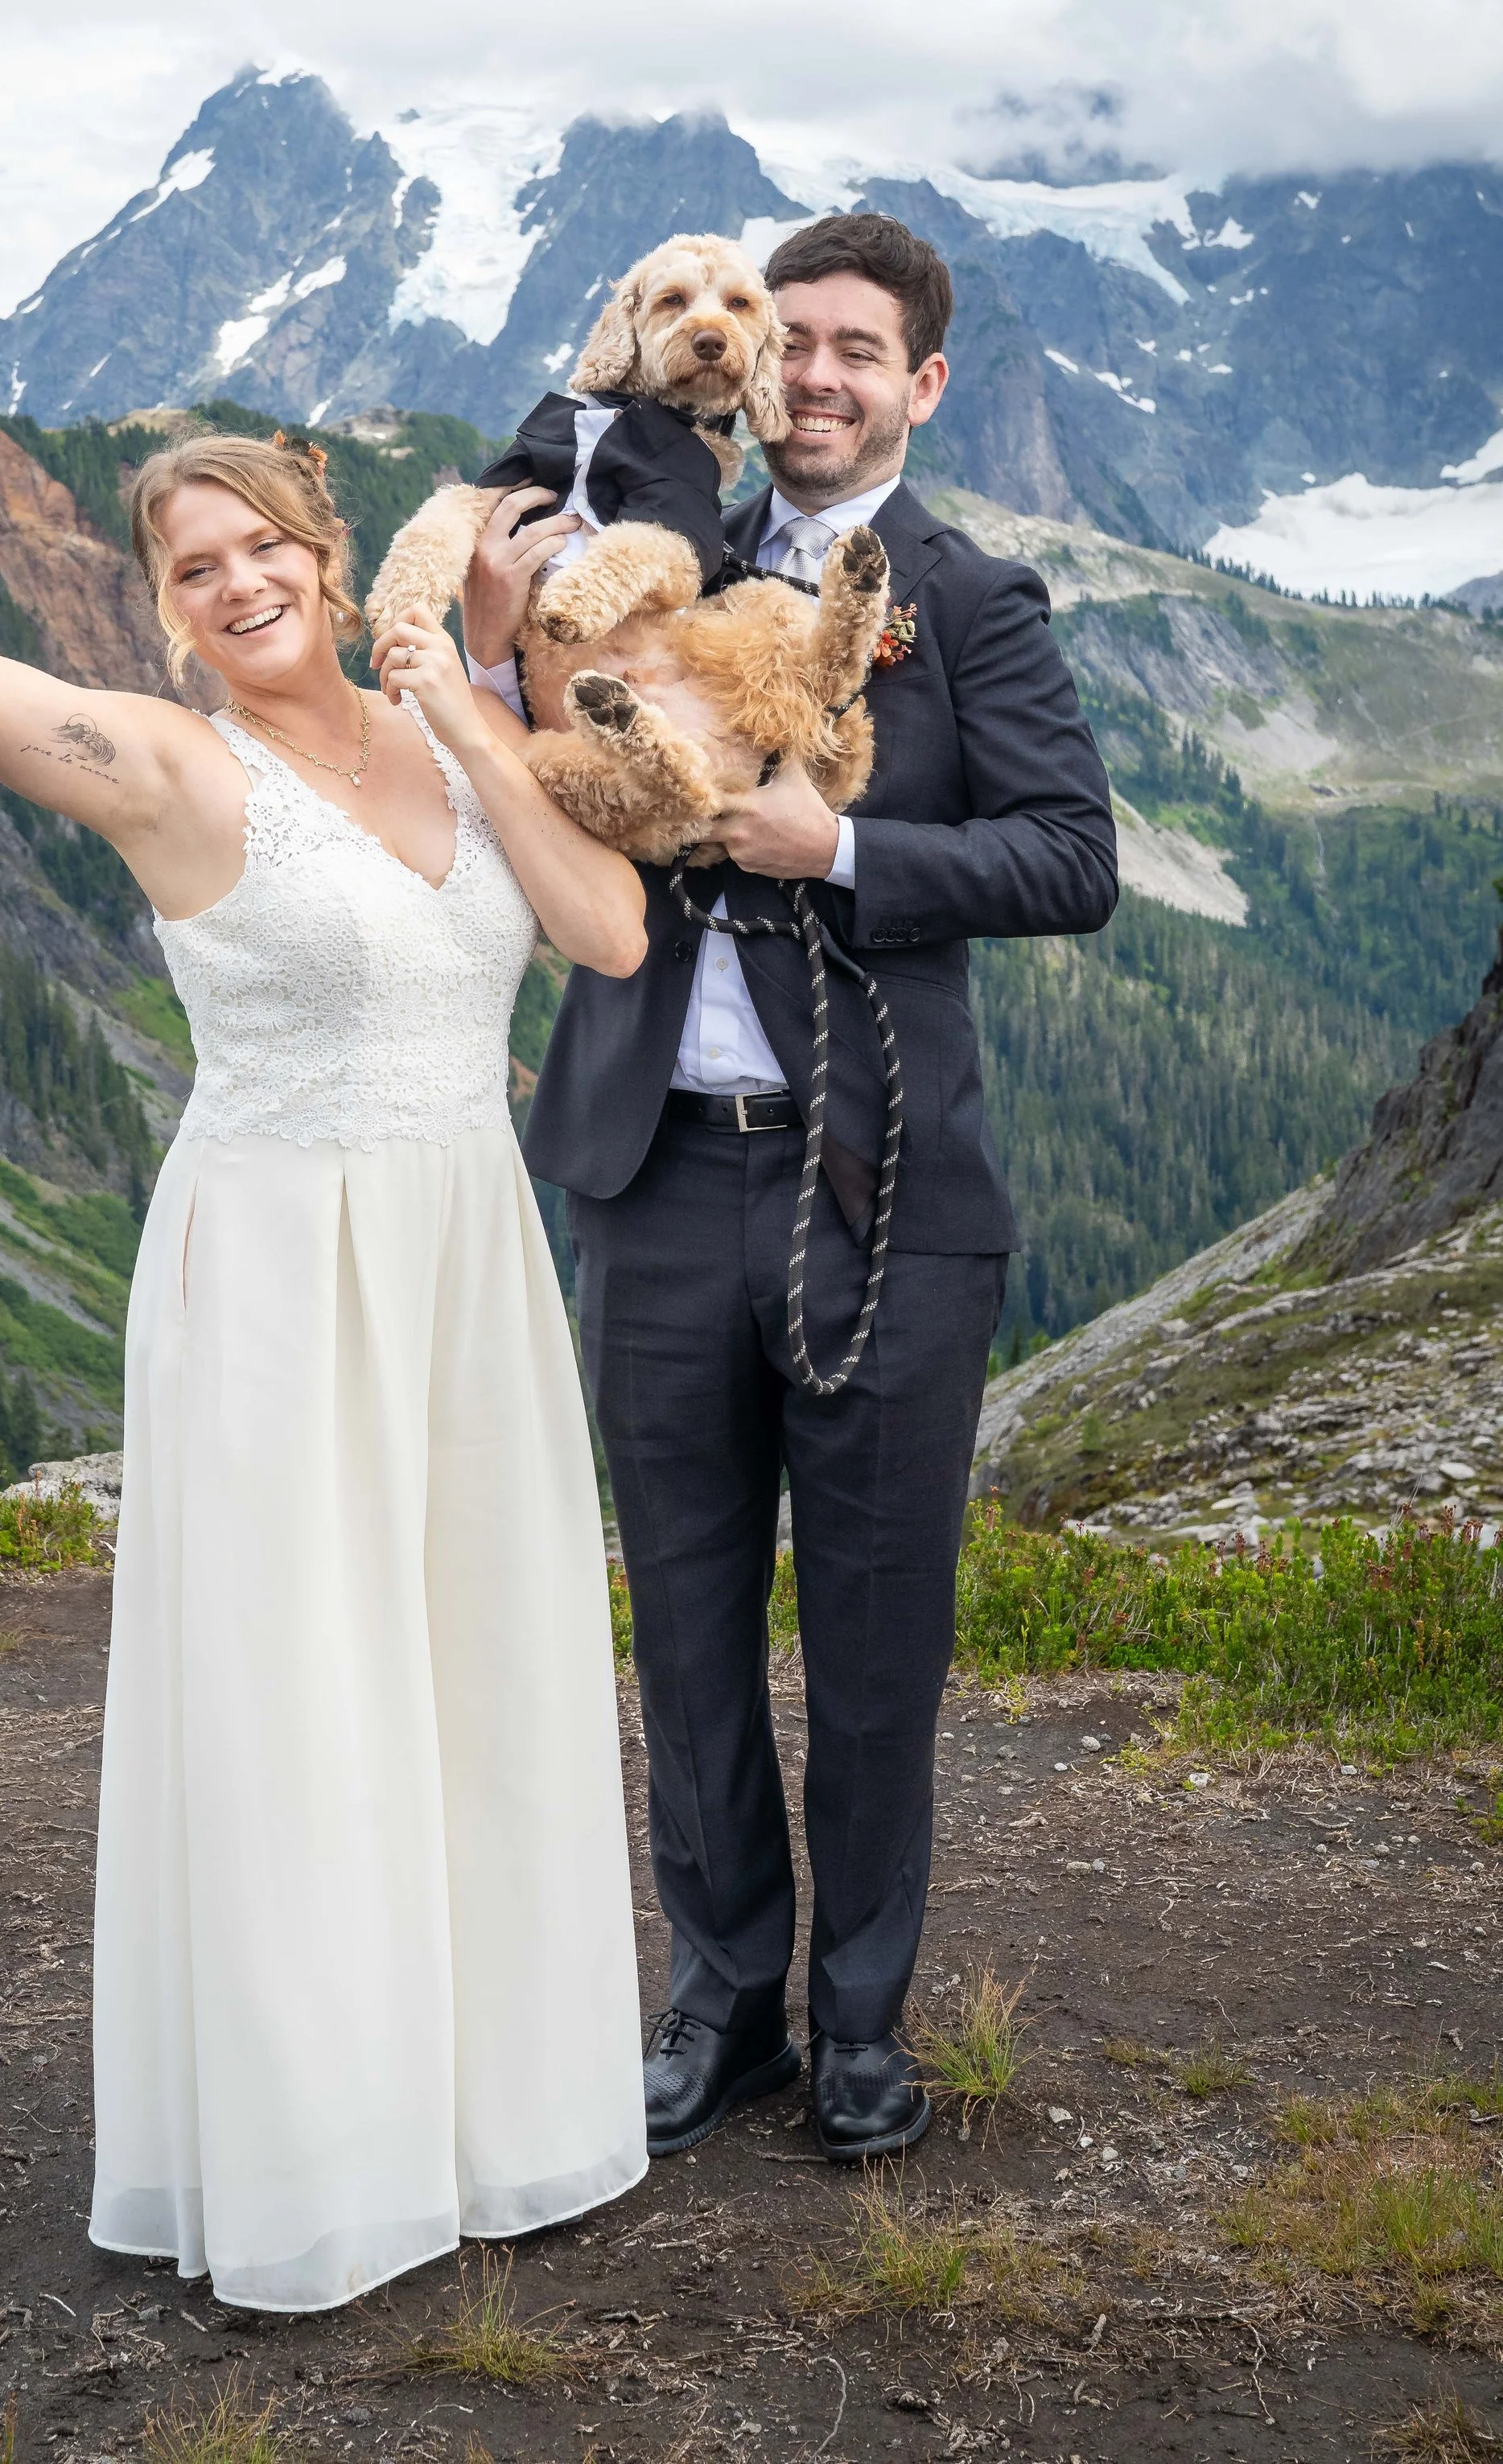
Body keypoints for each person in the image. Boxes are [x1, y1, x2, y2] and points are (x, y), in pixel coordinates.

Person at [0, 360, 652, 2310]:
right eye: (189, 569)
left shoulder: (440, 727)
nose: (231, 588)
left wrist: (471, 713)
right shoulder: (167, 766)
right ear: (163, 607)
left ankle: (496, 2125)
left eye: (258, 551)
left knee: (482, 1667)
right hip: (283, 1272)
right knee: (305, 1698)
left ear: (322, 555)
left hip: (467, 1258)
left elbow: (610, 934)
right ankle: (320, 2164)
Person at [464, 213, 1119, 2166]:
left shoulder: (967, 597)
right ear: (745, 365)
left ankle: (857, 2022)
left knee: (872, 1632)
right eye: (792, 346)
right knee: (678, 1620)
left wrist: (834, 846)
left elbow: (1067, 857)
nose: (813, 378)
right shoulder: (631, 546)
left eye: (856, 352)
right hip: (649, 1174)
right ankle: (721, 1998)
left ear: (917, 385)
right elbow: (503, 744)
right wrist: (501, 643)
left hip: (888, 1193)